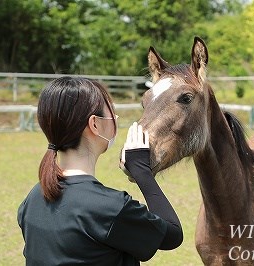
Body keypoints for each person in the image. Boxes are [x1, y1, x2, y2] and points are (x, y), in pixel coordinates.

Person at [17, 76, 183, 265]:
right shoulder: (111, 208)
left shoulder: (33, 199)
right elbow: (172, 234)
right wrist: (141, 170)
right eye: (111, 111)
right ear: (95, 124)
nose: (115, 118)